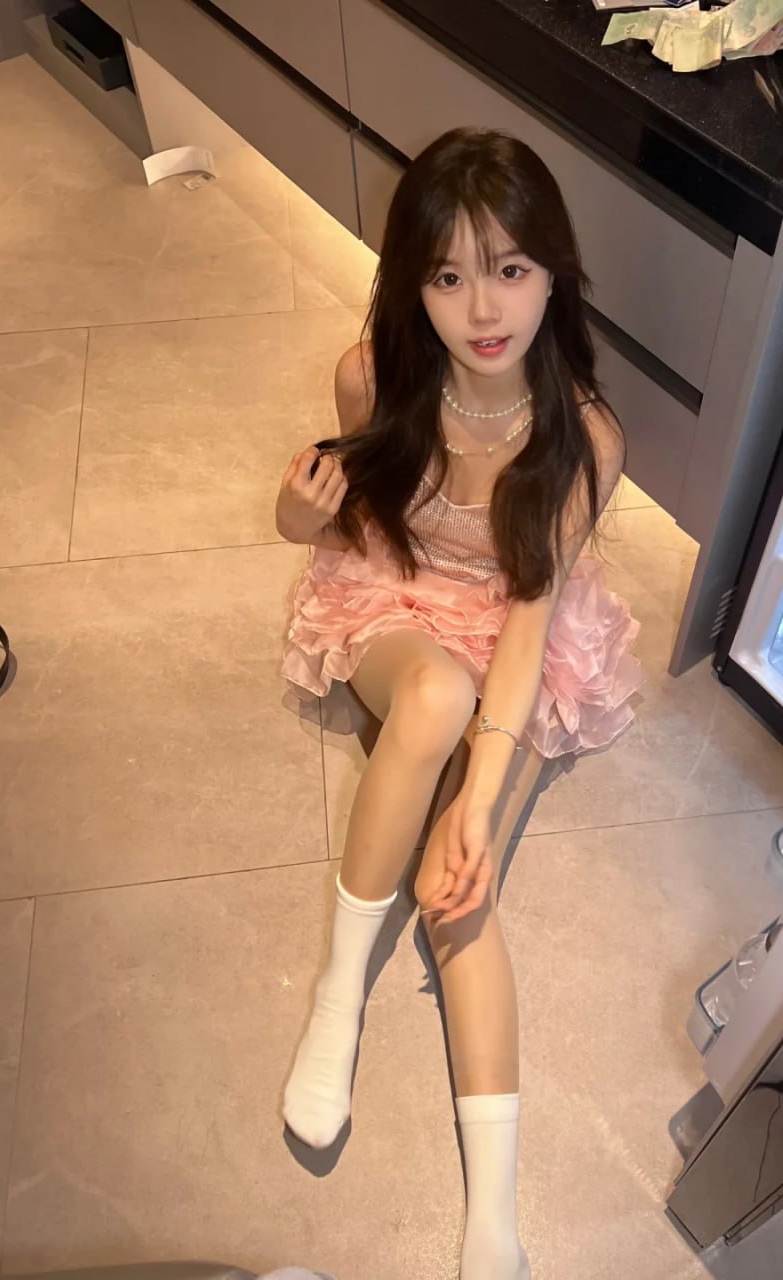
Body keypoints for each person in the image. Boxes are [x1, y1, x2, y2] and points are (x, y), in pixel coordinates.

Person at [275, 127, 643, 1280]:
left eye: (510, 268)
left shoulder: (584, 438)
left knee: (458, 886)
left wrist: (478, 801)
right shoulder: (373, 376)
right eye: (447, 275)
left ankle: (494, 1224)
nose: (483, 308)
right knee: (432, 692)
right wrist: (294, 510)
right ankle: (339, 992)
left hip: (512, 641)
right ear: (412, 283)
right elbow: (326, 526)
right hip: (395, 604)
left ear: (553, 272)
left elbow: (529, 619)